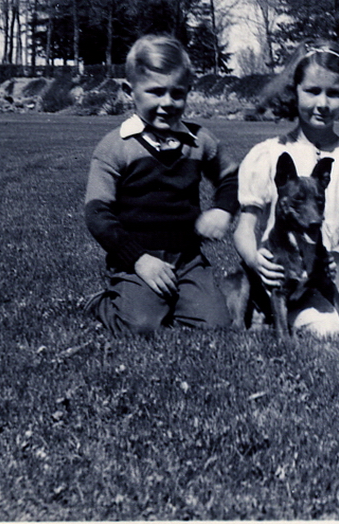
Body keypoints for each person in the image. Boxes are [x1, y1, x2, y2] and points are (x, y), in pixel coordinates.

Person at [232, 42, 339, 337]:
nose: (323, 103)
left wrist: (334, 258)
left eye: (333, 93)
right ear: (293, 91)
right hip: (284, 270)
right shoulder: (268, 155)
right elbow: (244, 227)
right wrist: (254, 259)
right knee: (325, 329)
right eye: (312, 91)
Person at [83, 35, 239, 335]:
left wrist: (223, 209)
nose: (167, 103)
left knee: (216, 325)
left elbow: (232, 176)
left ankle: (169, 302)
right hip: (136, 259)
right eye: (155, 92)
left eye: (177, 93)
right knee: (141, 326)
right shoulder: (116, 146)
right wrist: (137, 258)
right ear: (130, 91)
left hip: (188, 259)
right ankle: (103, 304)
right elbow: (97, 213)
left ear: (188, 92)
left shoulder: (199, 140)